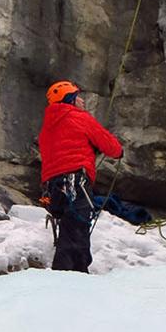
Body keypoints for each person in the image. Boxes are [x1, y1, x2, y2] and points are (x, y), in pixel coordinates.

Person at [38, 80, 123, 272]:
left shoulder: (47, 127)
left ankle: (72, 273)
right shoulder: (78, 117)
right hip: (75, 181)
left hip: (53, 187)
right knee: (77, 227)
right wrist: (119, 152)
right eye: (77, 96)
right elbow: (108, 144)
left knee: (69, 228)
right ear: (70, 99)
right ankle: (71, 276)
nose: (82, 101)